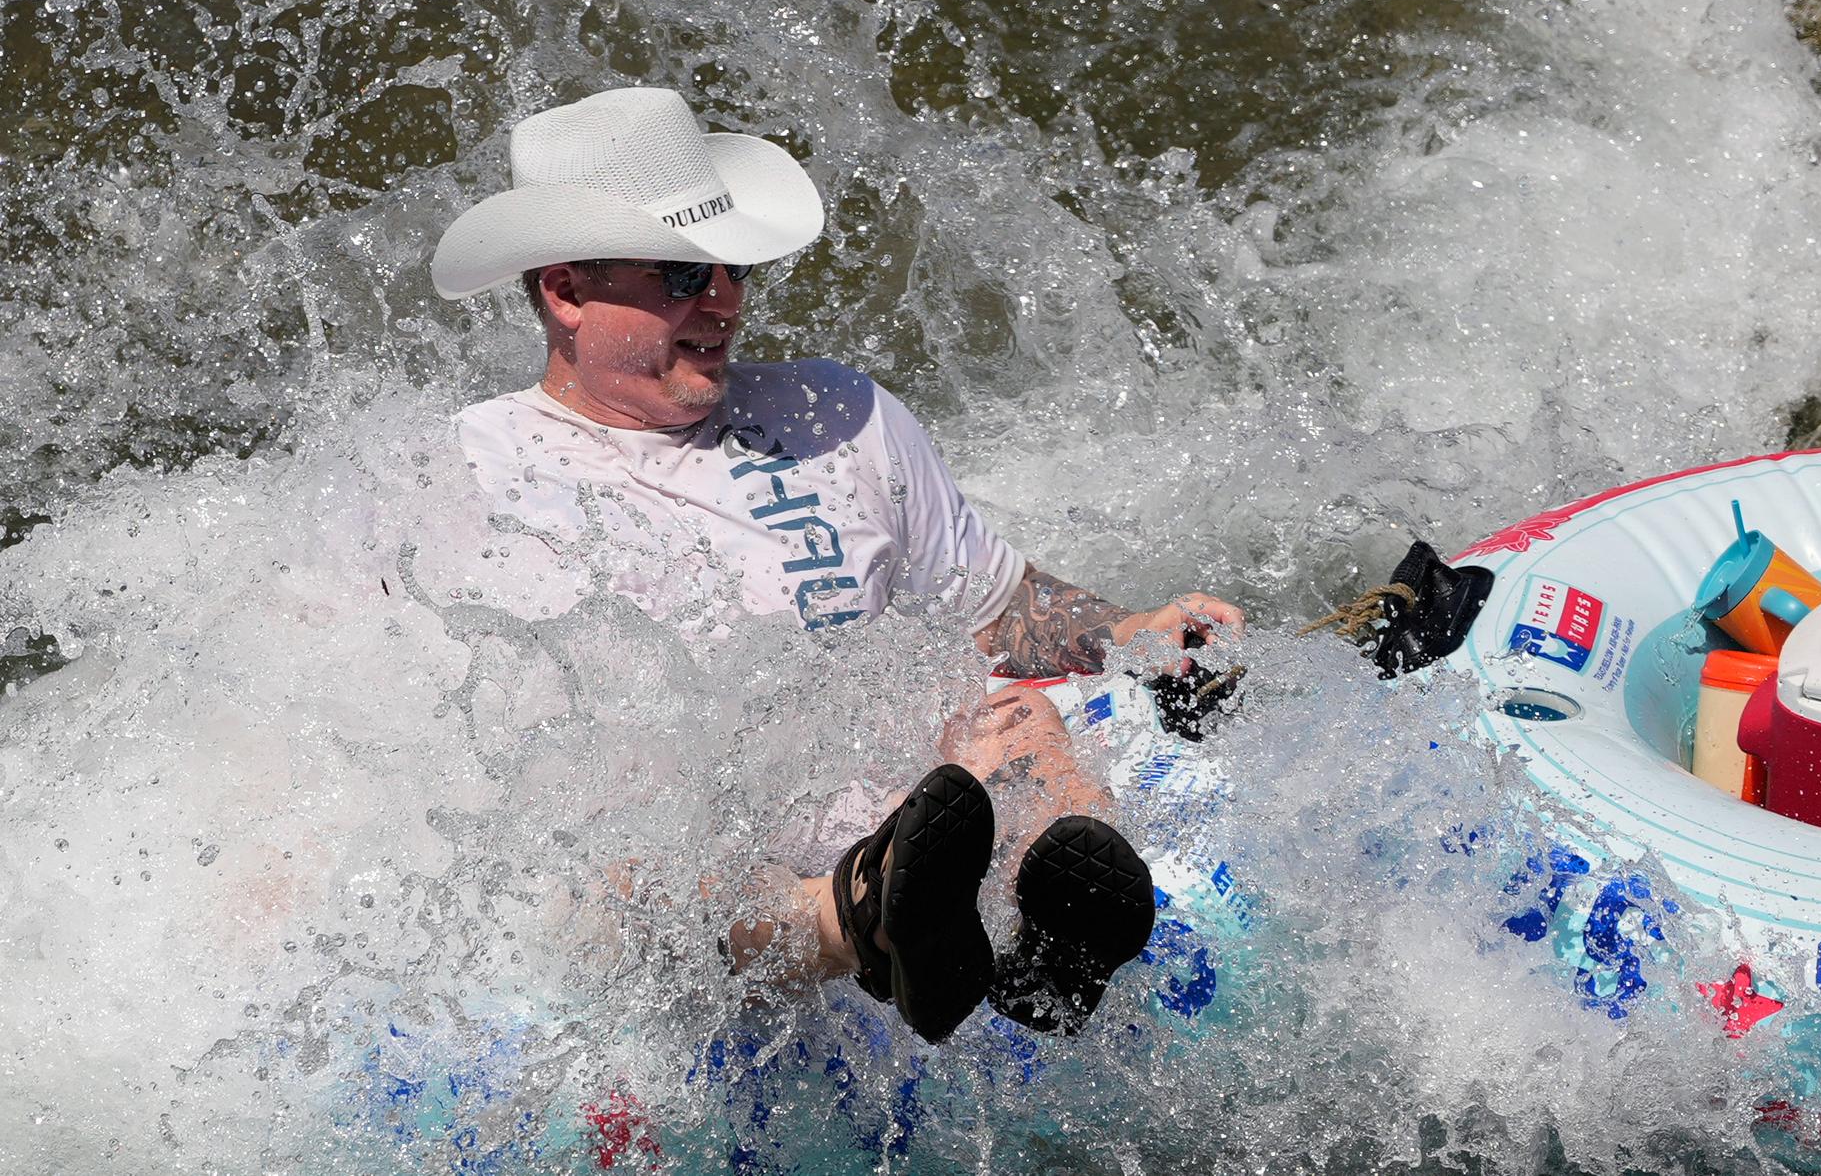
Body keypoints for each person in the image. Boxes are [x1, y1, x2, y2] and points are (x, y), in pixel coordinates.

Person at [430, 86, 1244, 1042]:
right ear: (567, 291)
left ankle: (1046, 954)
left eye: (734, 268)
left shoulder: (834, 411)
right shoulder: (470, 477)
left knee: (1022, 719)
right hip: (701, 870)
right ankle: (858, 918)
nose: (726, 301)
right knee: (624, 862)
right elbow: (501, 780)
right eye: (684, 275)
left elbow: (998, 606)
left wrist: (1131, 634)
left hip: (927, 816)